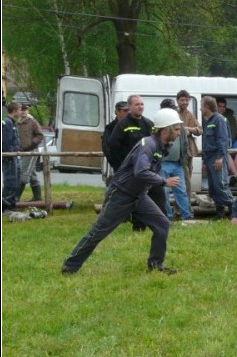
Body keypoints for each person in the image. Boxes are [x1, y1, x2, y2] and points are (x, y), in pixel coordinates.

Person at [62, 108, 184, 275]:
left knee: (162, 225)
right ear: (165, 130)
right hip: (121, 194)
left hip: (138, 196)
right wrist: (163, 181)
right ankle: (69, 267)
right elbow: (140, 172)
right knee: (98, 232)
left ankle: (156, 266)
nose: (179, 133)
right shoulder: (148, 144)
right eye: (176, 129)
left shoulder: (160, 146)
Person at [107, 94, 166, 228]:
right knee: (137, 197)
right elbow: (113, 147)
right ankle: (139, 226)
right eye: (137, 104)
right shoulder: (122, 125)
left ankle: (161, 223)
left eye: (142, 104)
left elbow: (158, 143)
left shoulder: (149, 124)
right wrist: (122, 167)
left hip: (150, 169)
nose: (140, 107)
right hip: (133, 172)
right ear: (129, 107)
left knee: (158, 195)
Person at [158, 98, 194, 221]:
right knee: (164, 192)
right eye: (169, 108)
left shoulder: (180, 125)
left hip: (178, 164)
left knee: (182, 191)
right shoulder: (159, 126)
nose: (173, 111)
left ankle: (186, 216)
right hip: (163, 164)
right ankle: (167, 217)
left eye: (173, 108)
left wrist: (183, 160)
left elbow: (184, 143)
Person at [200, 95, 235, 220]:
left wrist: (220, 157)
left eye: (201, 105)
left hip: (217, 156)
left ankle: (233, 209)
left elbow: (223, 140)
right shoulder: (208, 120)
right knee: (213, 187)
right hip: (209, 157)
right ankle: (219, 213)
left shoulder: (219, 120)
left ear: (207, 107)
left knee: (220, 184)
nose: (200, 108)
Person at [175, 89, 202, 204]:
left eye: (187, 100)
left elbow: (199, 130)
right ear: (177, 101)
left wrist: (188, 129)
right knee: (182, 181)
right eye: (182, 100)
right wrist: (182, 130)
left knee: (187, 180)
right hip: (176, 151)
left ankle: (182, 209)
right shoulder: (174, 113)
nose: (184, 102)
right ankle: (183, 210)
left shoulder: (190, 114)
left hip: (189, 151)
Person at [15, 103, 44, 202]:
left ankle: (15, 198)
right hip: (22, 152)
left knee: (23, 174)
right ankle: (37, 197)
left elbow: (40, 135)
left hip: (31, 152)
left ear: (28, 111)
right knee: (31, 173)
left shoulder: (33, 122)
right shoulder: (18, 123)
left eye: (25, 110)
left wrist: (32, 144)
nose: (23, 112)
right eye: (21, 110)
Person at [216, 97, 237, 185]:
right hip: (218, 142)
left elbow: (233, 133)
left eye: (223, 107)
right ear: (215, 107)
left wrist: (228, 142)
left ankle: (233, 177)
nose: (222, 108)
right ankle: (236, 175)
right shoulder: (212, 117)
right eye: (219, 106)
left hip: (230, 140)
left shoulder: (230, 117)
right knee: (225, 151)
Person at [2, 102, 22, 213]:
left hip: (15, 156)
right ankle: (4, 206)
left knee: (16, 181)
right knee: (10, 182)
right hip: (9, 157)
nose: (20, 112)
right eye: (19, 110)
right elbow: (6, 141)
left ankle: (12, 204)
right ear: (14, 111)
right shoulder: (8, 123)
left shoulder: (14, 123)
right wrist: (10, 155)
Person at [101, 100, 130, 169]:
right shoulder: (110, 127)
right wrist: (116, 164)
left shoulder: (133, 124)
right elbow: (107, 148)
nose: (128, 113)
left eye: (129, 110)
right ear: (117, 112)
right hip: (119, 166)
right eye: (125, 111)